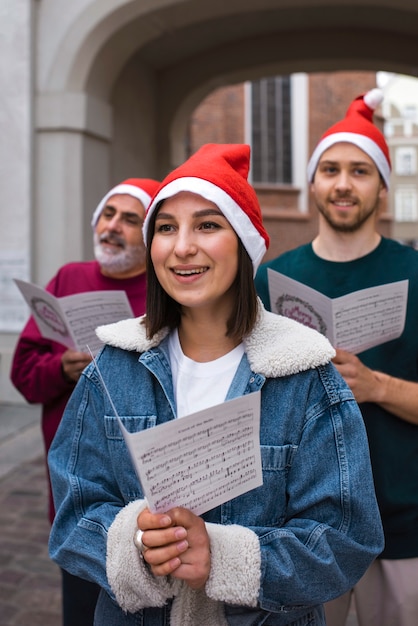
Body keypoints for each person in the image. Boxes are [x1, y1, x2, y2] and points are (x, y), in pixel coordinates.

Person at [48, 143, 383, 626]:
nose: (183, 246)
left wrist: (224, 559)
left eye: (207, 224)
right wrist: (136, 543)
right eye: (166, 228)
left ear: (244, 244)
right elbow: (73, 510)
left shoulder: (306, 375)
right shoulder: (112, 367)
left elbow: (347, 538)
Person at [255, 89, 418, 626]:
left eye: (360, 170)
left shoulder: (415, 273)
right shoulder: (273, 279)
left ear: (381, 188)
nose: (343, 183)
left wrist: (377, 387)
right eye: (330, 169)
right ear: (313, 182)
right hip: (301, 523)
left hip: (405, 522)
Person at [10, 177, 160, 626]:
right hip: (74, 483)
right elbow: (24, 375)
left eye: (130, 220)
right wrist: (61, 369)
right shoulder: (68, 278)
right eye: (108, 215)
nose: (112, 227)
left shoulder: (164, 289)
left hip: (143, 491)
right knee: (79, 603)